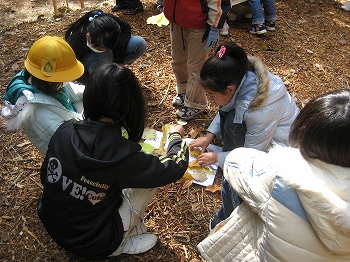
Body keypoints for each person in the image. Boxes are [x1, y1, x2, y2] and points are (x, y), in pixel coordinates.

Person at [37, 63, 189, 259]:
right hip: (92, 242)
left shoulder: (65, 129)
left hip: (50, 219)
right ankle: (120, 243)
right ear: (129, 104)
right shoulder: (122, 155)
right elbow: (172, 168)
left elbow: (46, 176)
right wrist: (176, 138)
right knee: (149, 181)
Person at [197, 89, 350, 261]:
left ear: (305, 132)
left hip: (264, 254)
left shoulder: (280, 175)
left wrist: (220, 157)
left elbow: (235, 164)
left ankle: (222, 220)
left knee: (231, 181)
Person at [189, 42, 299, 228]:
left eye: (211, 95)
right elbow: (226, 107)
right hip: (261, 133)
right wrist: (209, 135)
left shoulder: (258, 110)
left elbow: (252, 154)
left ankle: (232, 220)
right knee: (232, 119)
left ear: (230, 89)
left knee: (236, 177)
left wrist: (218, 157)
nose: (211, 101)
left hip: (279, 146)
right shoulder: (242, 81)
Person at [1, 36, 84, 155]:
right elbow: (72, 141)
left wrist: (97, 91)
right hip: (66, 154)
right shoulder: (38, 112)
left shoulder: (52, 84)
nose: (69, 80)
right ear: (51, 80)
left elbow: (76, 92)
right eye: (65, 77)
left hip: (74, 121)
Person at [163, 0, 232, 120]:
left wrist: (215, 26)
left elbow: (219, 2)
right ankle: (184, 91)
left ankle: (196, 103)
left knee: (196, 66)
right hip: (176, 20)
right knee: (178, 61)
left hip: (199, 24)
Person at [65, 10, 146, 84]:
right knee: (105, 55)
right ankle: (101, 77)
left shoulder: (110, 22)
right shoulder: (75, 41)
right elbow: (75, 68)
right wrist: (90, 83)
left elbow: (126, 27)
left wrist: (119, 58)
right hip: (87, 62)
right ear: (88, 37)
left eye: (107, 48)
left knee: (139, 43)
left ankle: (112, 70)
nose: (103, 50)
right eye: (99, 49)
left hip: (112, 53)